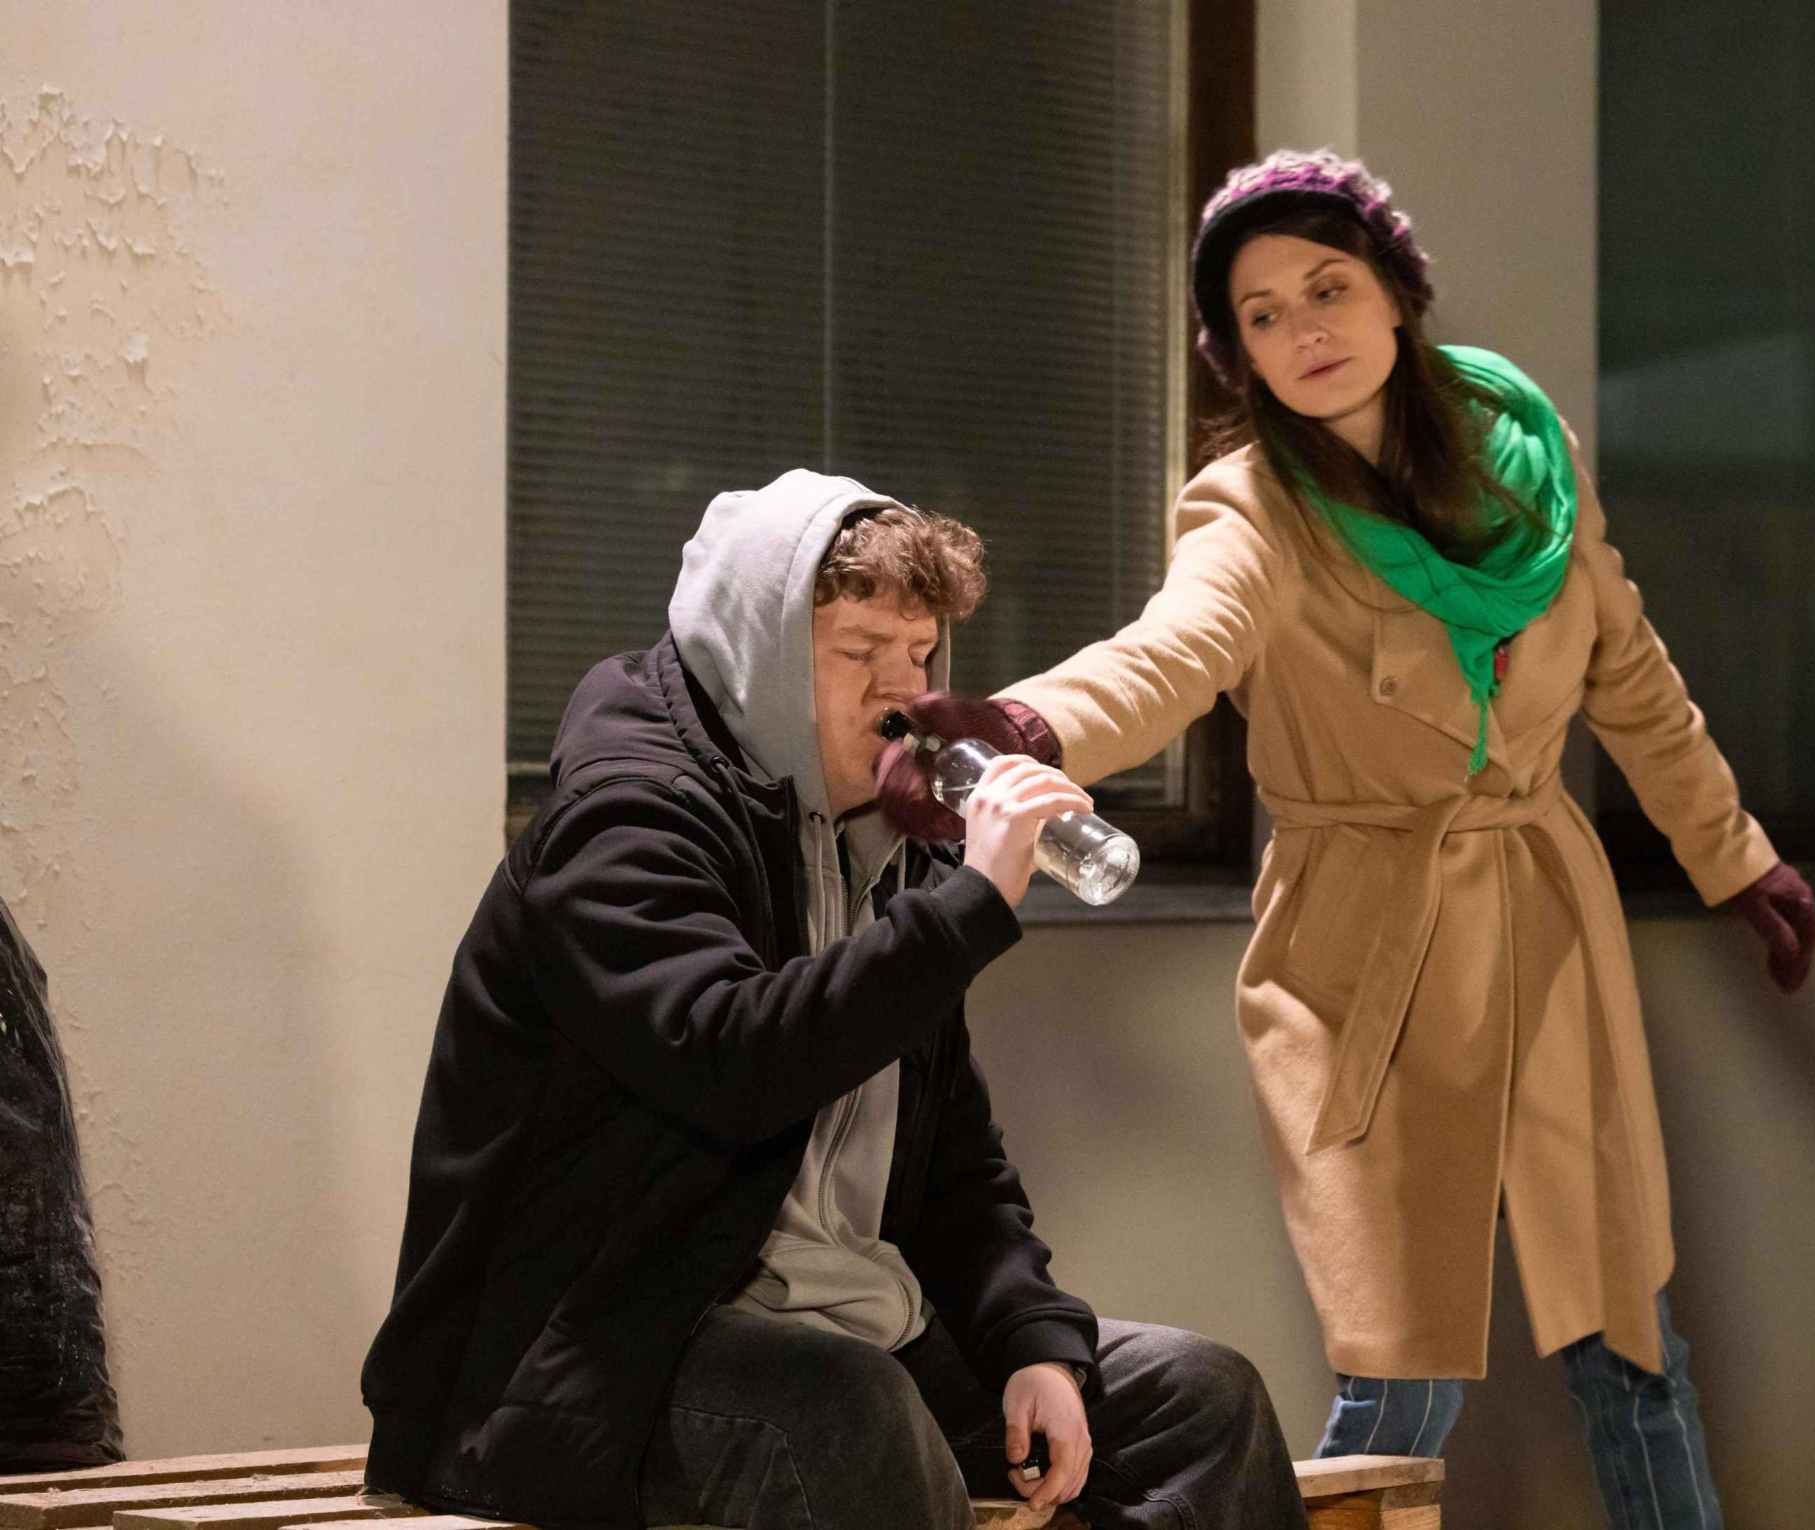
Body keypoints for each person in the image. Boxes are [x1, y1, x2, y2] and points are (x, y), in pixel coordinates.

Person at [877, 151, 1815, 1530]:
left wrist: (1734, 854)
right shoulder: (1250, 506)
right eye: (1260, 315)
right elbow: (1169, 653)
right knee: (1398, 1369)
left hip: (1544, 921)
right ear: (1237, 353)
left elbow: (1628, 673)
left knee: (1629, 1342)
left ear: (1395, 294)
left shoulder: (1527, 459)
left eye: (1326, 289)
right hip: (1363, 948)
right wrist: (1024, 726)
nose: (1302, 331)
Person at [359, 470, 1307, 1530]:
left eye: (918, 654)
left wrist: (1030, 1339)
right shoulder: (629, 816)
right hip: (598, 1355)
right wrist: (969, 906)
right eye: (859, 653)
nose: (901, 693)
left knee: (1201, 1400)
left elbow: (952, 1158)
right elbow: (732, 1063)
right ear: (755, 652)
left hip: (850, 1327)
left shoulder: (877, 840)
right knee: (847, 1407)